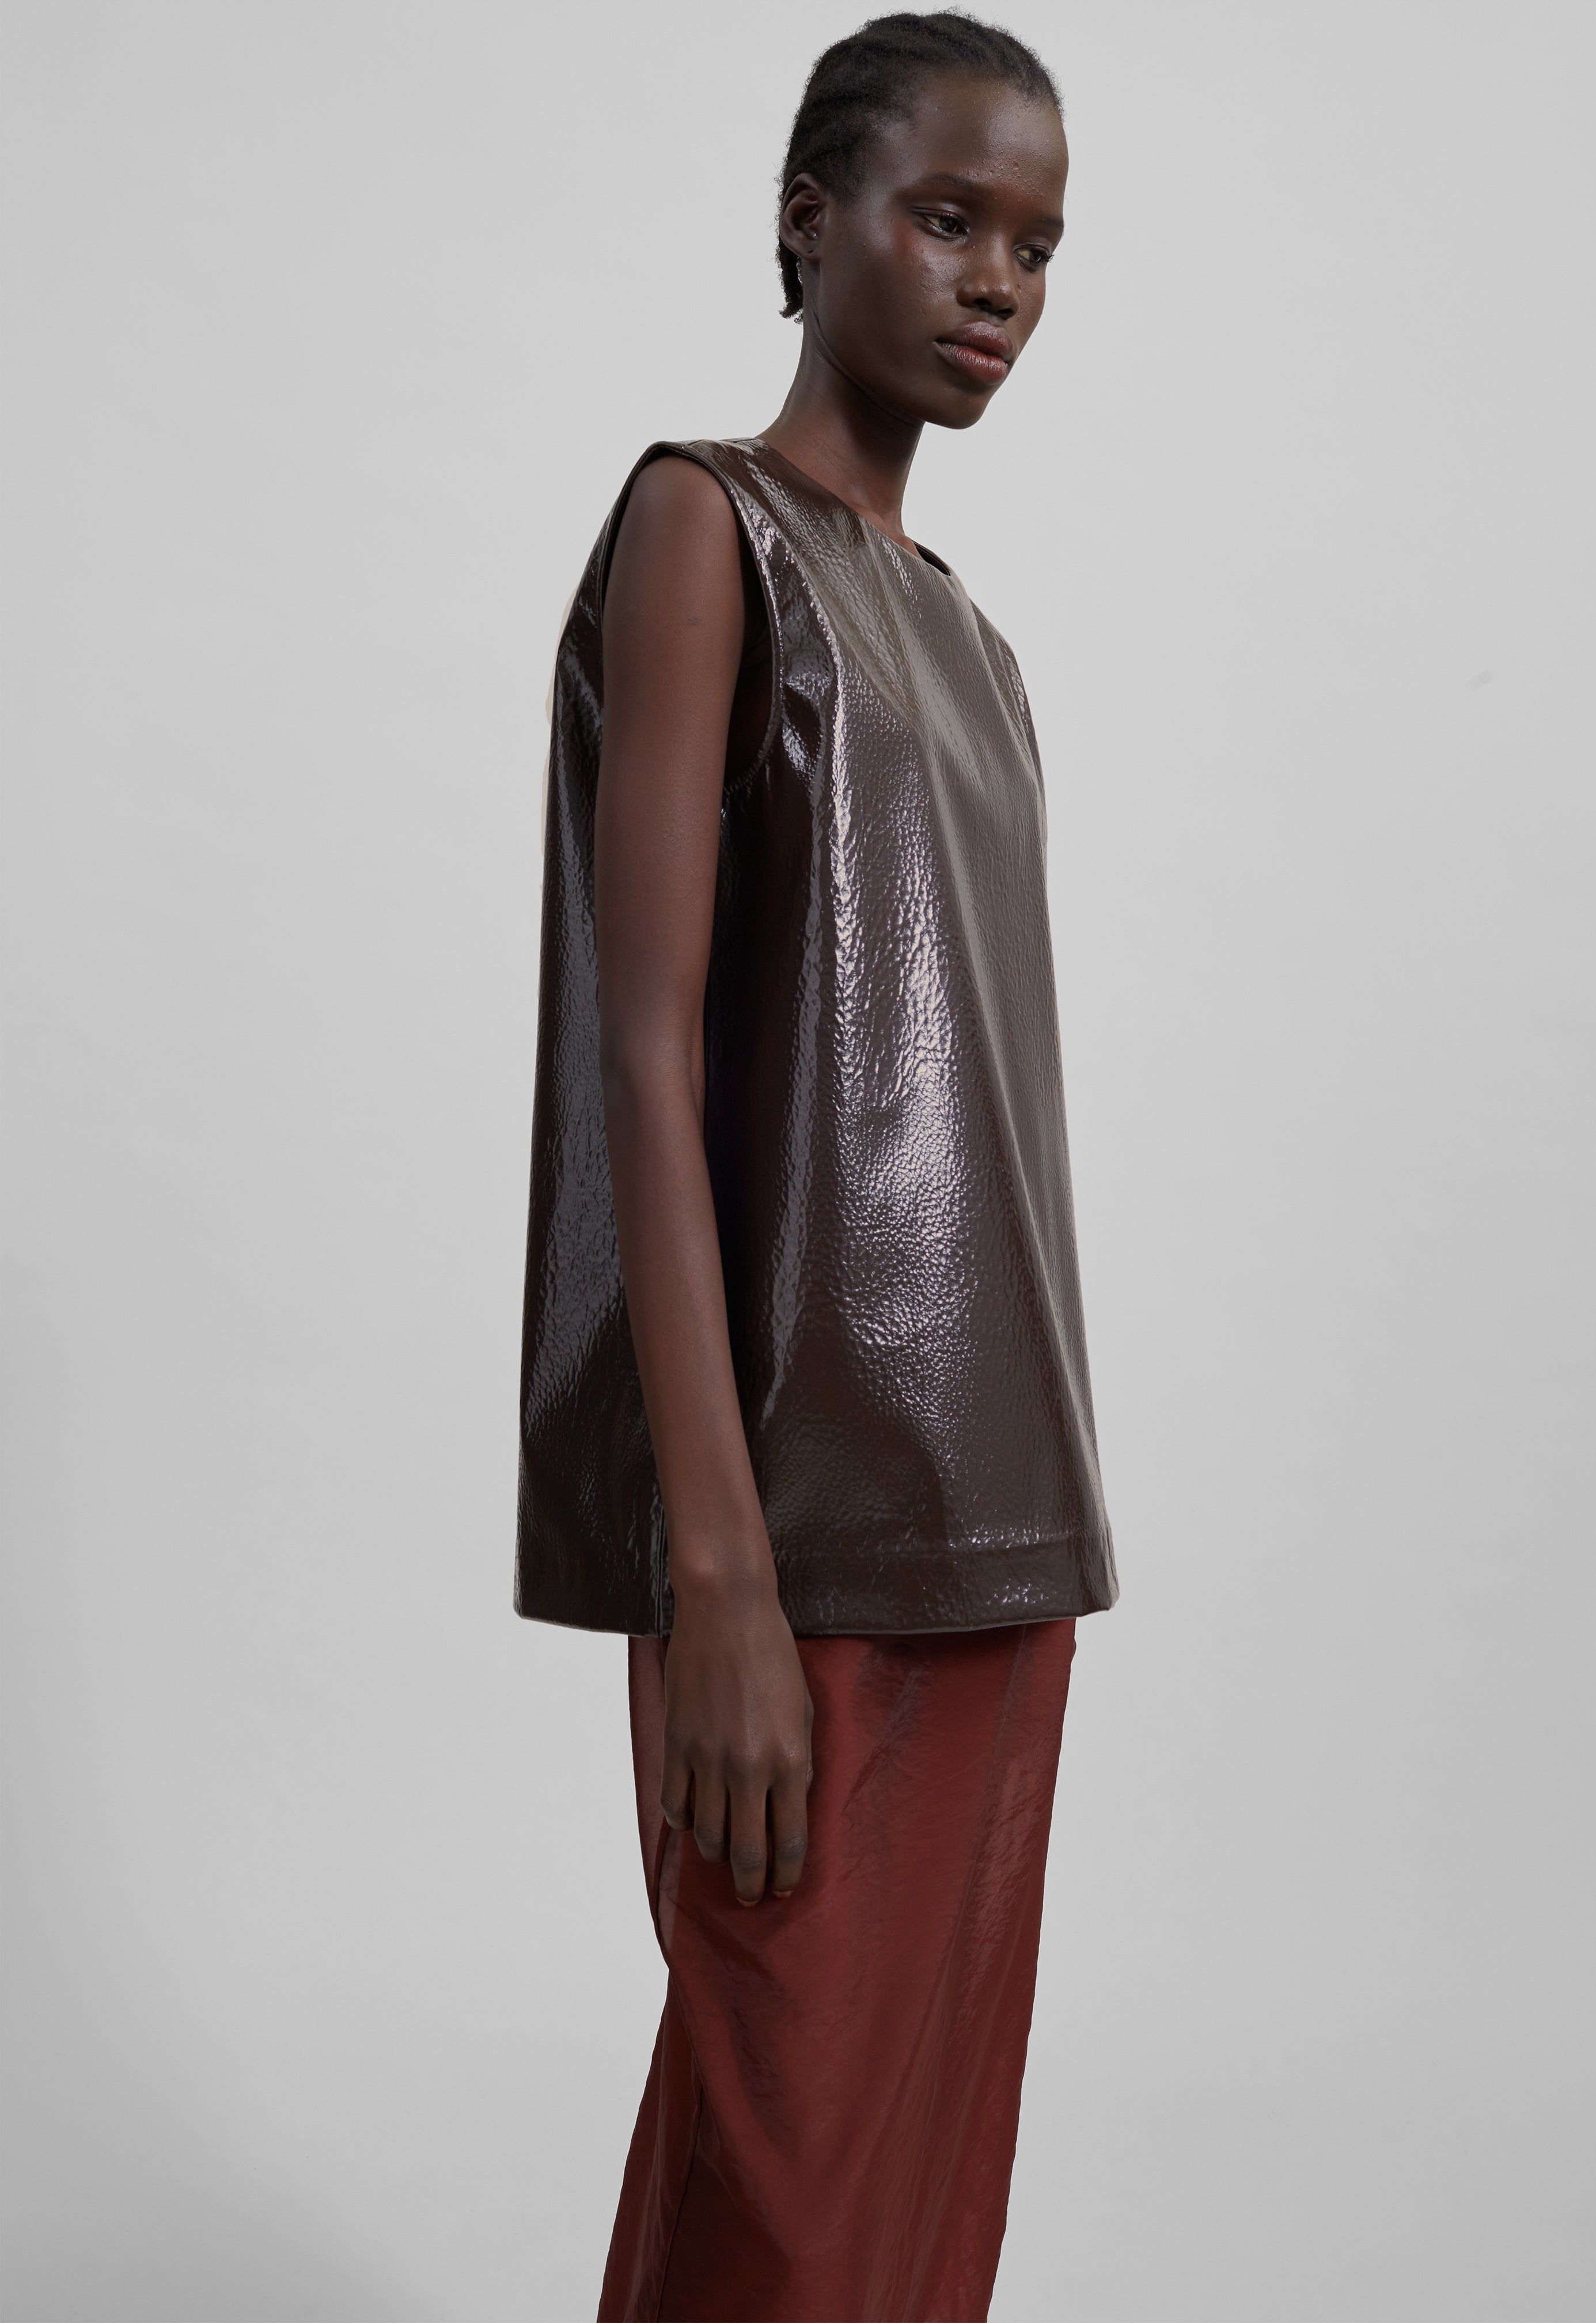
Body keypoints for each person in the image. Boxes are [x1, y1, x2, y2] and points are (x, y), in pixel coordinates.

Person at [517, 13, 1117, 2317]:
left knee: (909, 2207)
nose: (997, 285)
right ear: (811, 219)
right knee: (780, 2187)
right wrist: (716, 1577)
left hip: (1003, 1518)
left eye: (1038, 247)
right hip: (796, 1532)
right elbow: (645, 1054)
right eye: (948, 218)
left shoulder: (972, 643)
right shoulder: (705, 523)